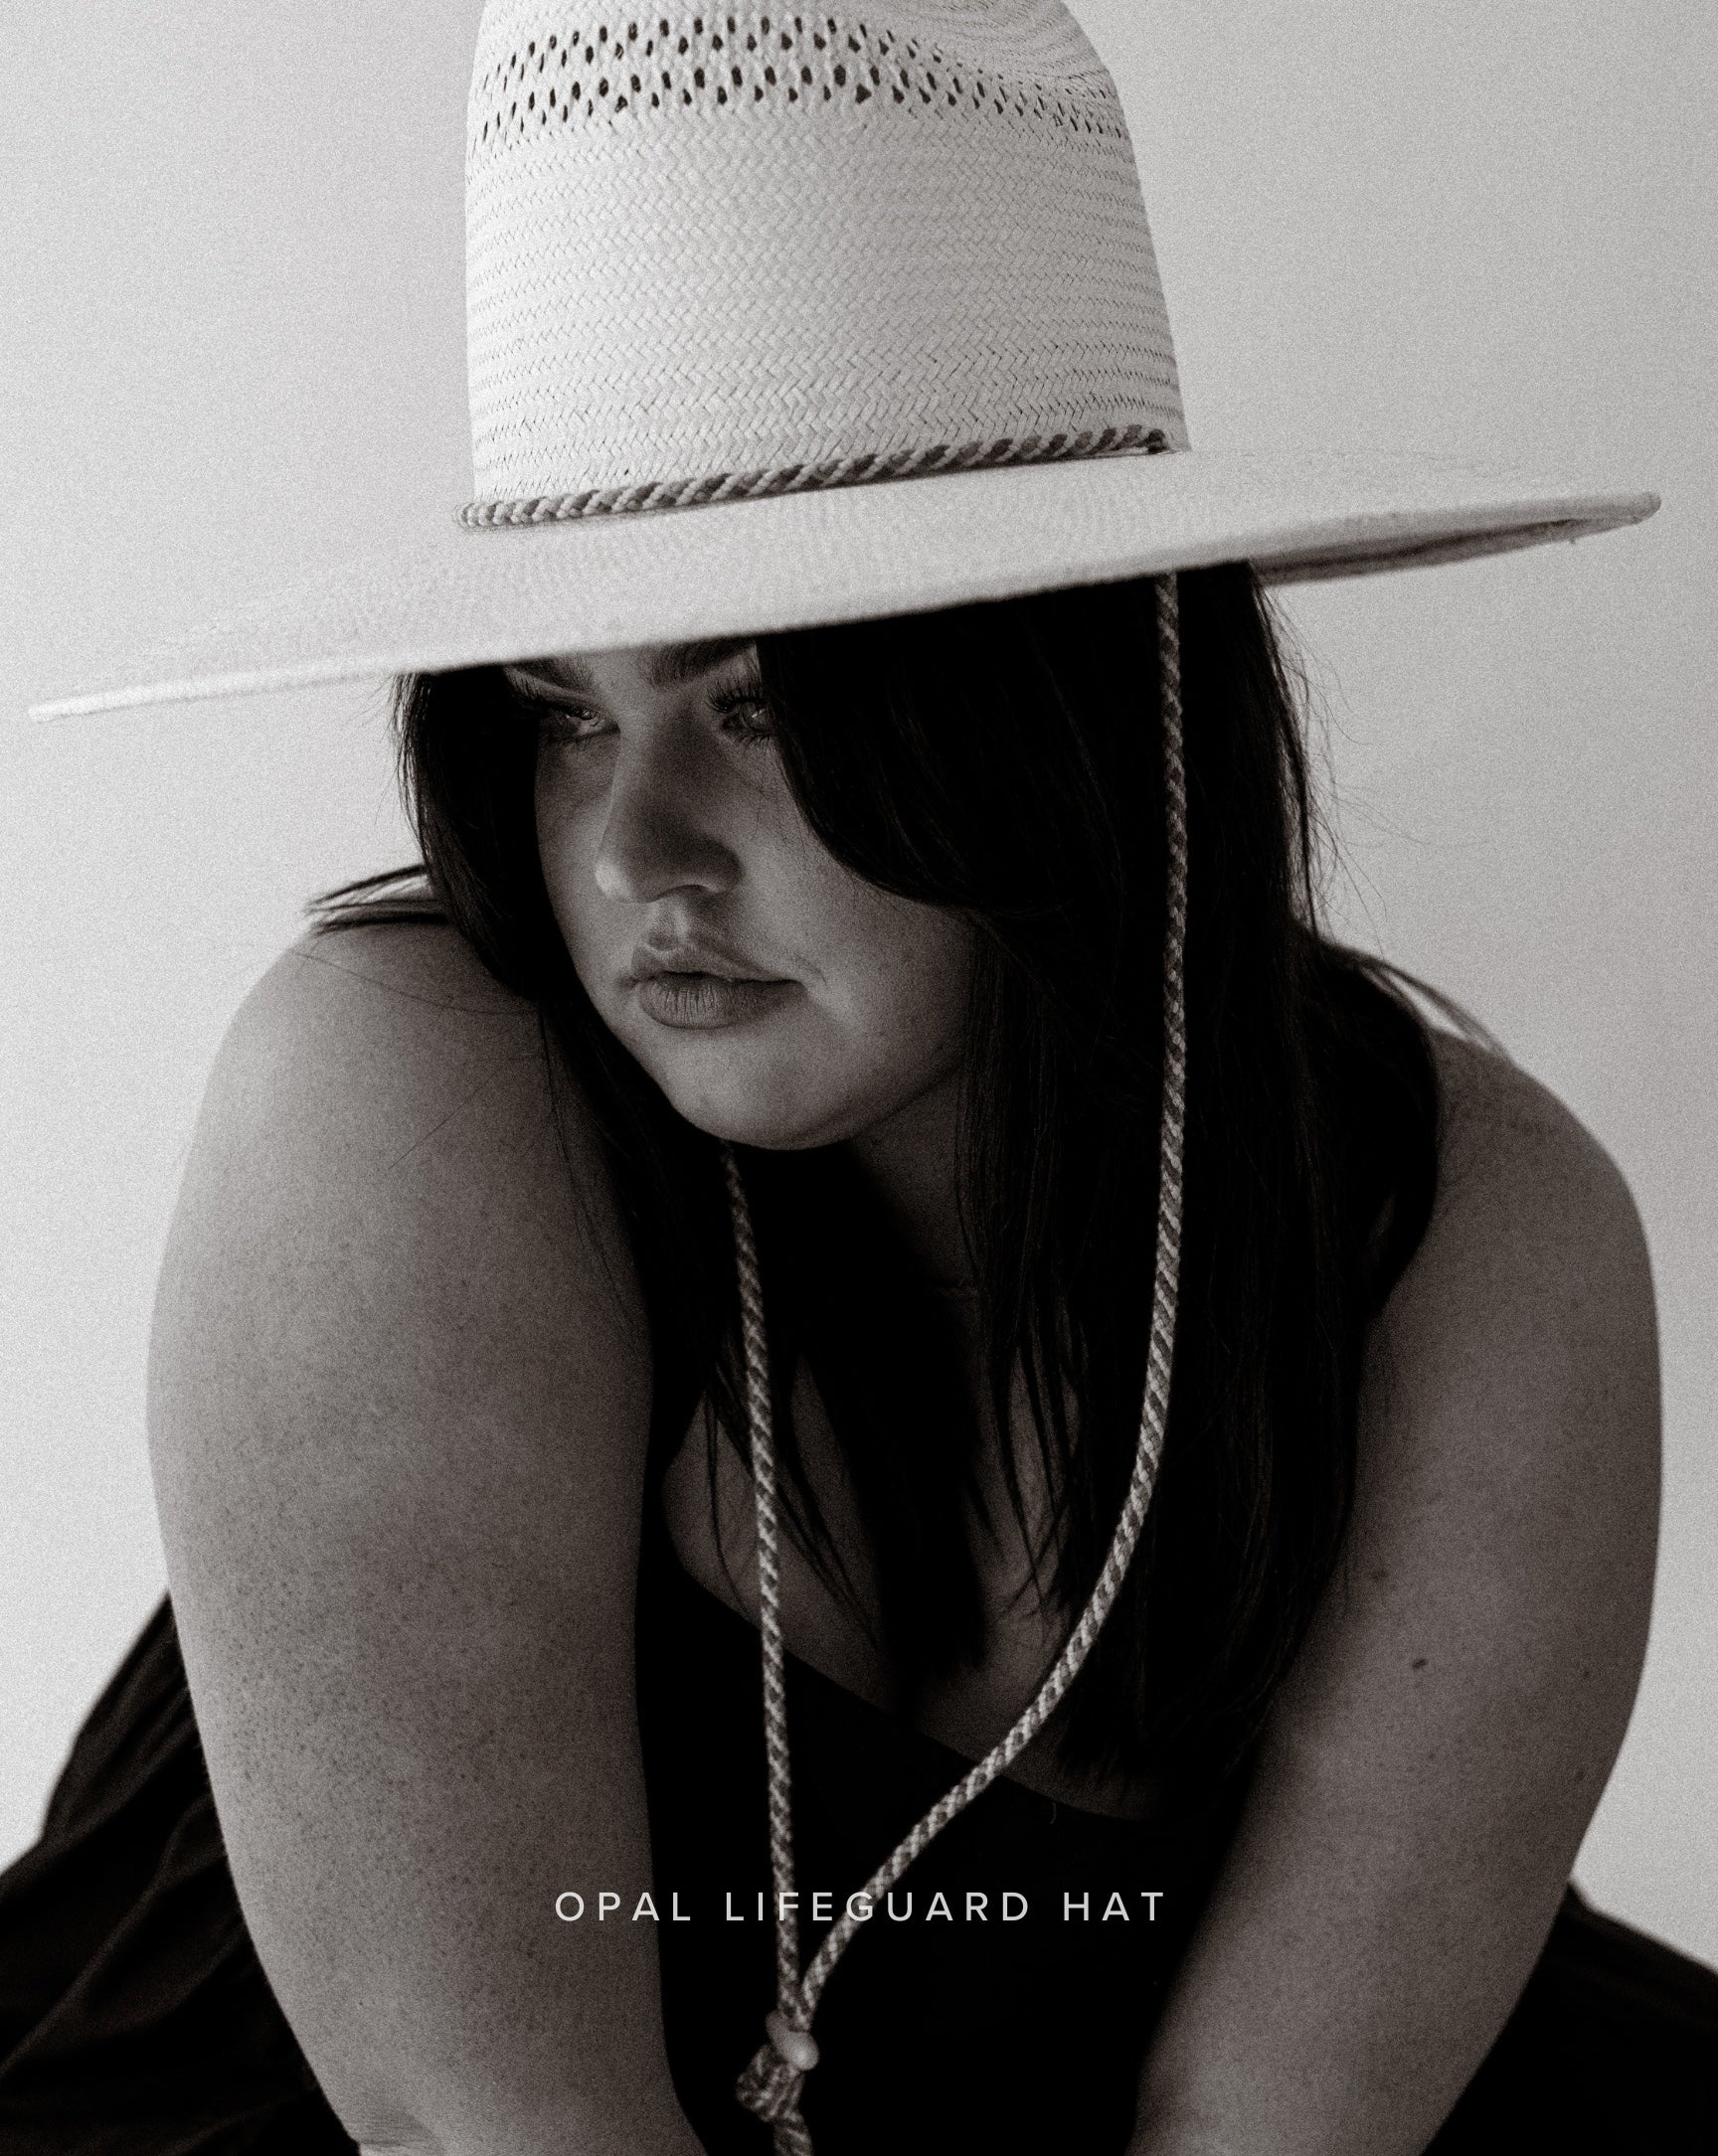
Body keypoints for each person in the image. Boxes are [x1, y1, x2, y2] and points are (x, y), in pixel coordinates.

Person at [3, 2, 1712, 2151]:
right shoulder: (407, 1099)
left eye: (756, 703)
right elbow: (493, 2121)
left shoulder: (1470, 1242)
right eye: (562, 711)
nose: (633, 854)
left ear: (1064, 706)